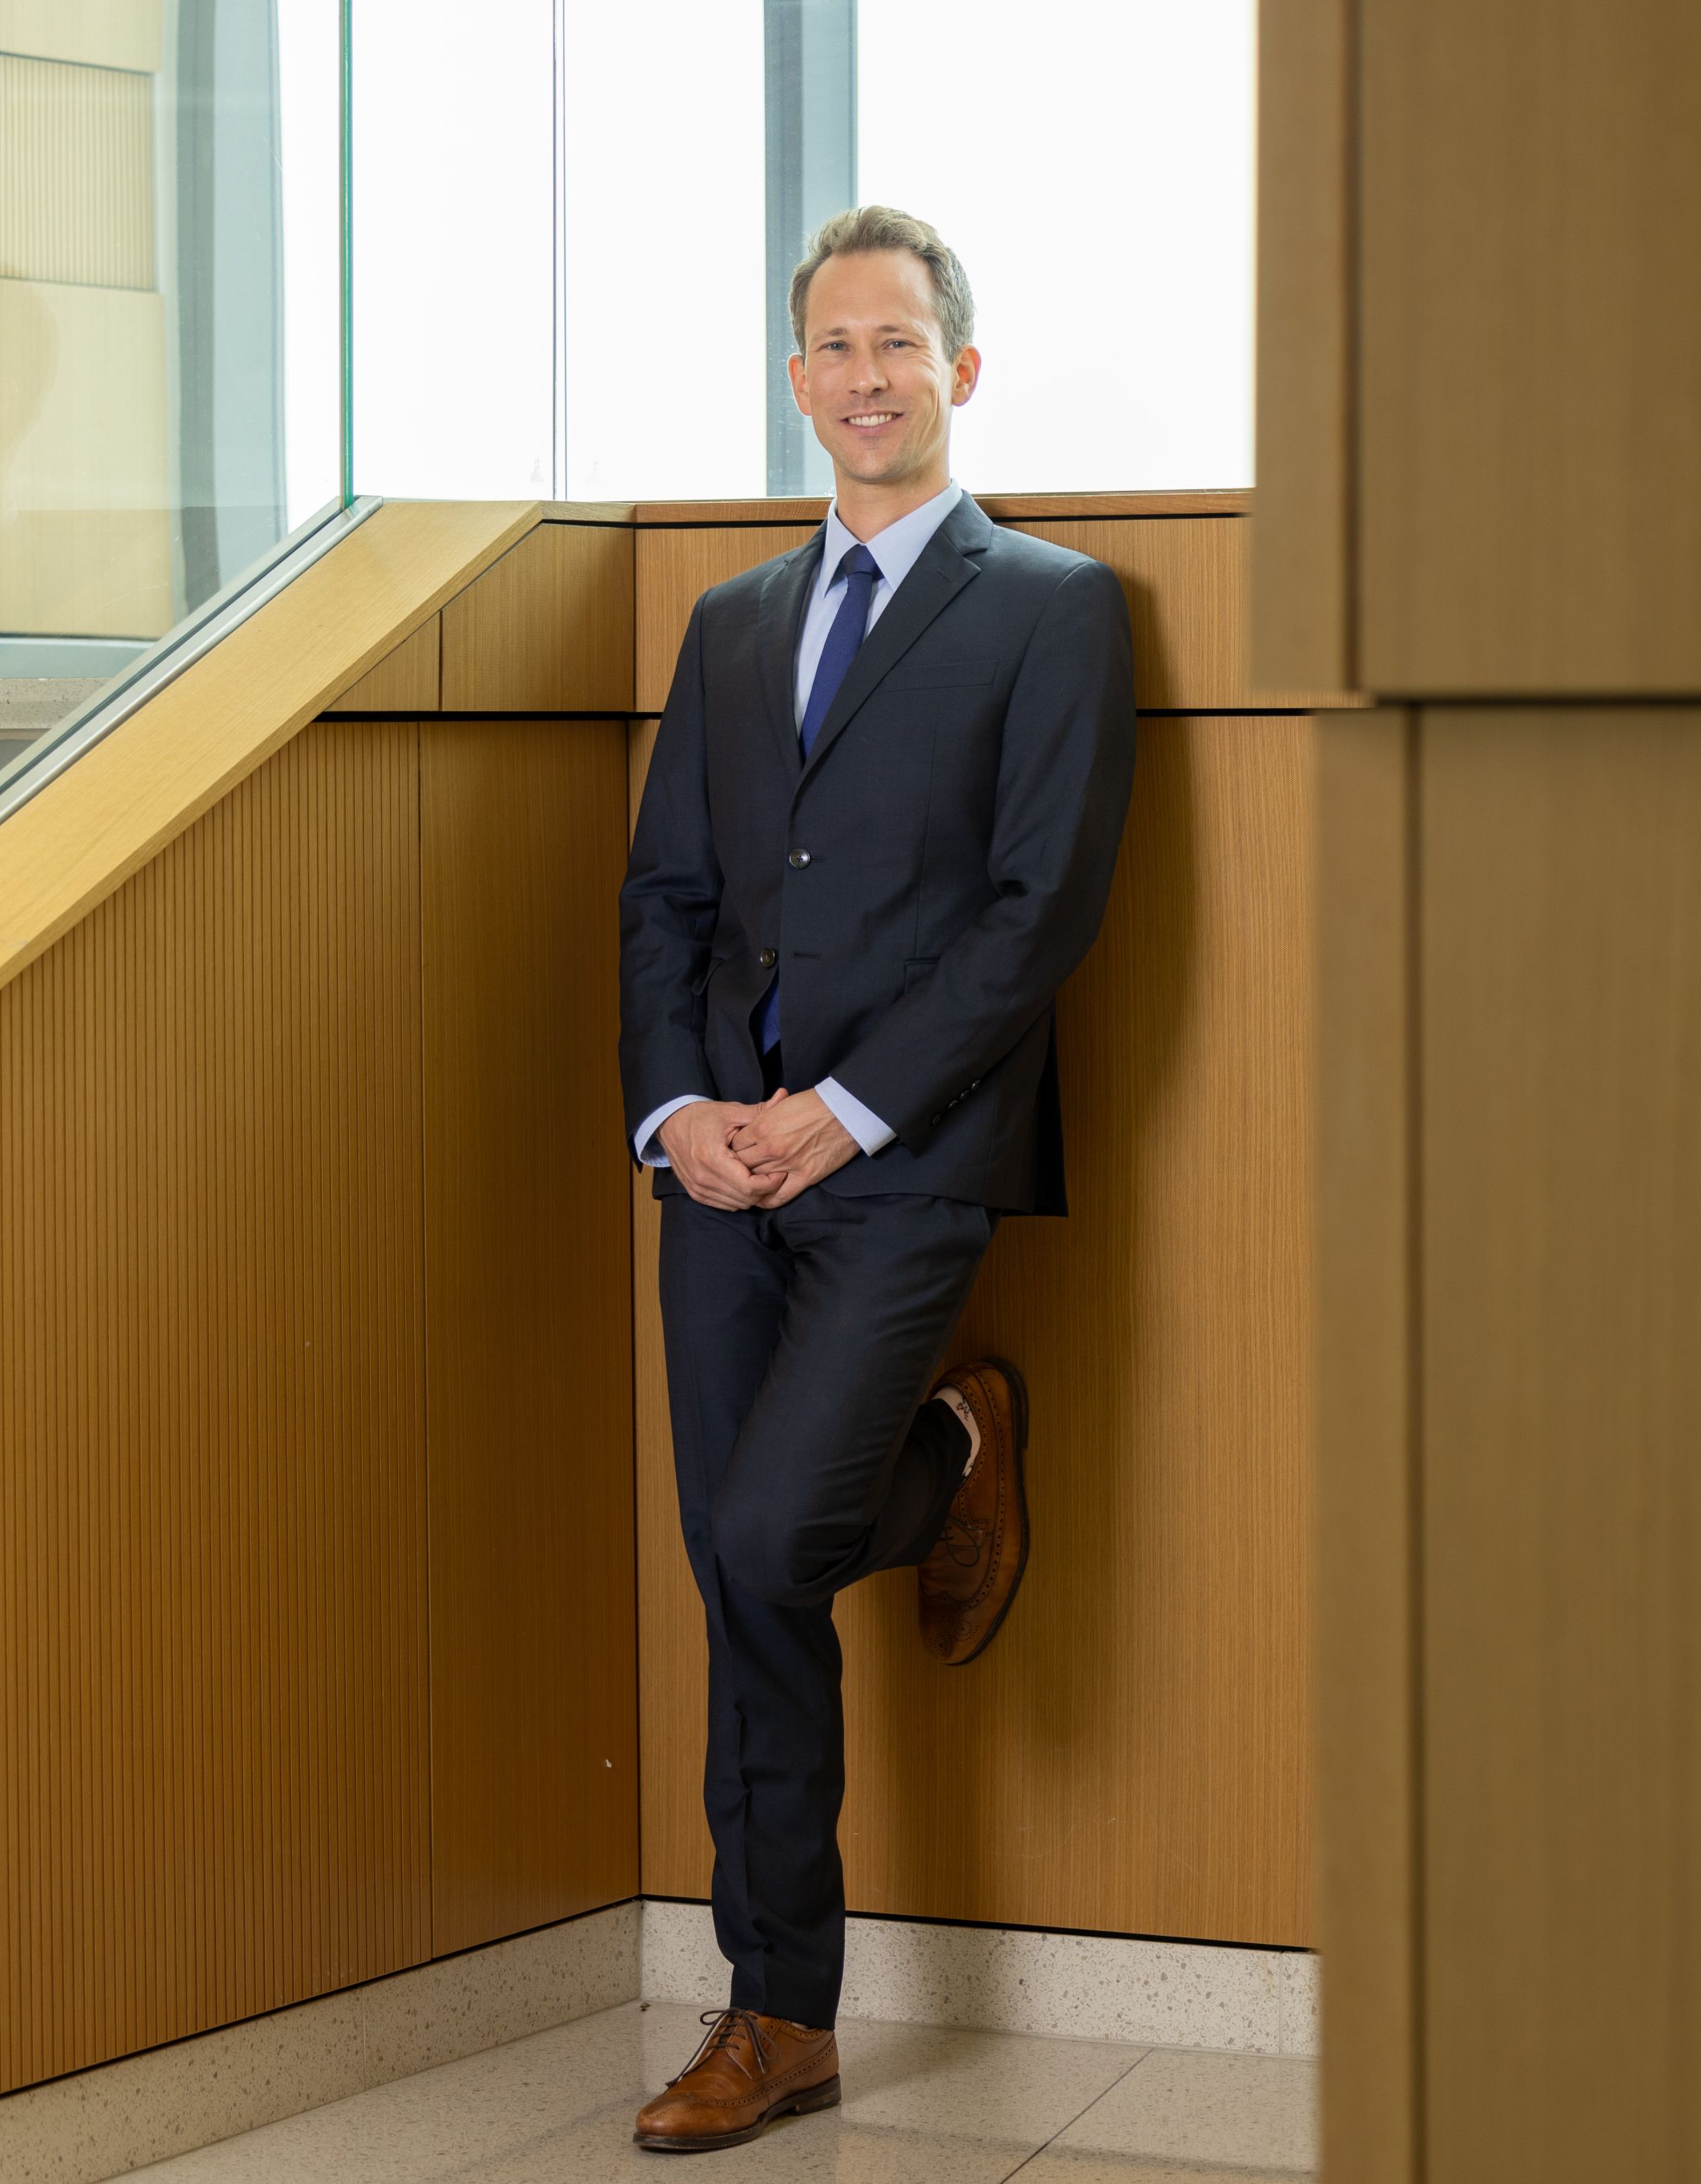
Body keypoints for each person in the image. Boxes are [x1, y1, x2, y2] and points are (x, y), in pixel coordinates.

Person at [617, 204, 1136, 2154]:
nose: (863, 375)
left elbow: (1036, 913)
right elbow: (663, 895)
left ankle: (940, 1454)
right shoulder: (733, 623)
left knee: (763, 1550)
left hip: (905, 1166)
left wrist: (838, 1110)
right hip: (717, 1171)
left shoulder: (1051, 605)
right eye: (830, 345)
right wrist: (681, 1115)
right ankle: (788, 2021)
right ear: (794, 378)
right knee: (734, 1574)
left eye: (897, 344)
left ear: (960, 372)